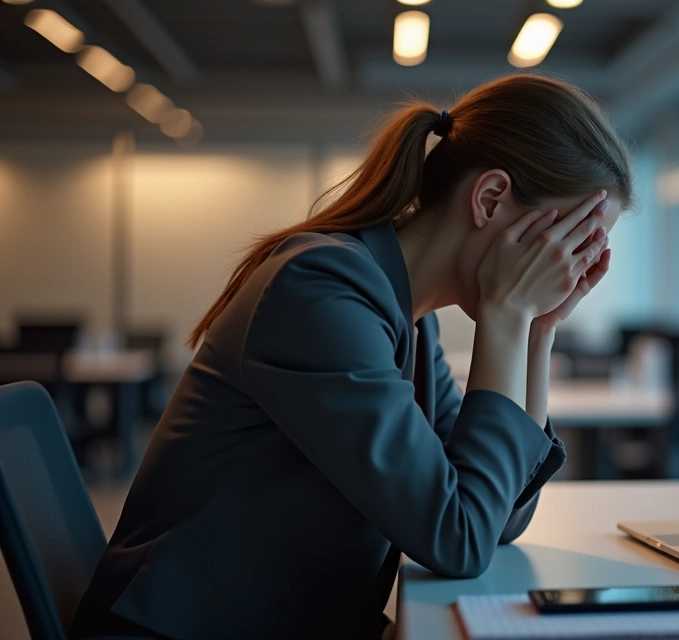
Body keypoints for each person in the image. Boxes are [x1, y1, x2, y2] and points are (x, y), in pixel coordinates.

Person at [70, 74, 633, 640]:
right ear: (489, 200)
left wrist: (537, 331)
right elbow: (458, 538)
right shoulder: (321, 289)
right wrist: (507, 318)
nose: (570, 274)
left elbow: (497, 516)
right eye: (569, 243)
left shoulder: (410, 321)